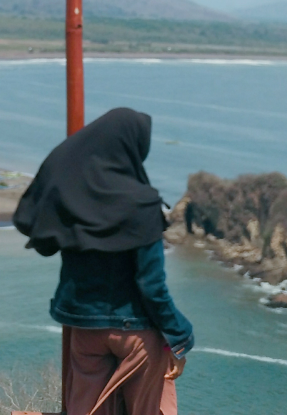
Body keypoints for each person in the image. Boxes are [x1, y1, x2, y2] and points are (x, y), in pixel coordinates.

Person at [13, 108, 194, 415]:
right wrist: (179, 337)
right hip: (136, 332)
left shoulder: (74, 197)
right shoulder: (142, 204)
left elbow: (39, 234)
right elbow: (152, 286)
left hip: (84, 328)